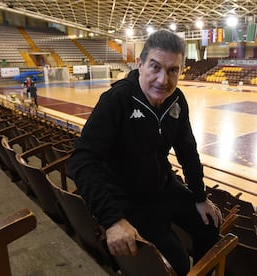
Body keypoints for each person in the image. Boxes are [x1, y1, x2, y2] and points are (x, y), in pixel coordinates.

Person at [69, 29, 222, 276]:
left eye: (173, 70)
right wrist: (112, 221)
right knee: (178, 263)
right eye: (155, 67)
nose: (163, 79)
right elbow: (81, 161)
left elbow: (187, 149)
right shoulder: (116, 100)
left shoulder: (176, 100)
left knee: (210, 224)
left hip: (163, 187)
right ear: (139, 64)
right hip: (129, 199)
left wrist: (199, 196)